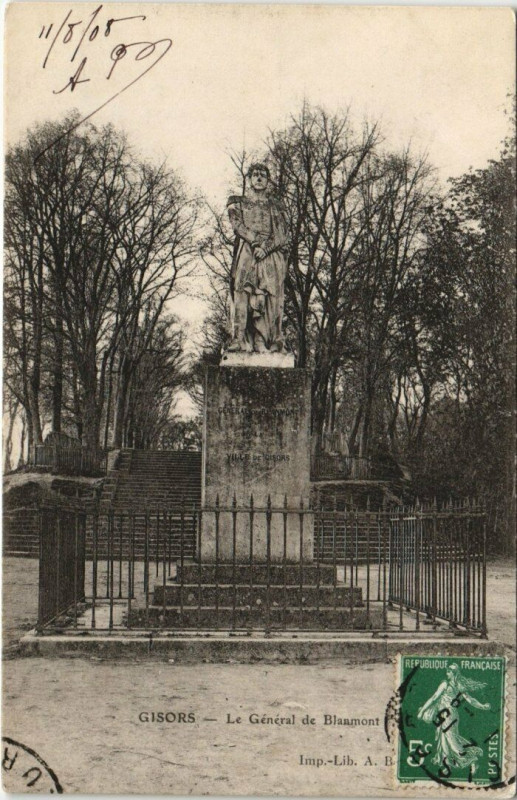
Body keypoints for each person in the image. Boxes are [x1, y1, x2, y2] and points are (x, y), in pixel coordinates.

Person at [226, 163, 288, 353]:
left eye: (263, 175)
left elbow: (282, 234)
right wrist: (256, 244)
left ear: (268, 181)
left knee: (269, 296)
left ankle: (263, 341)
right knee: (242, 290)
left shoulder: (276, 206)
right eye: (255, 174)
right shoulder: (237, 202)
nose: (259, 178)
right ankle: (238, 339)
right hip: (248, 250)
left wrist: (266, 249)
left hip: (270, 254)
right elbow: (237, 226)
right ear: (249, 179)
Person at [417, 663, 490, 775]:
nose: (447, 673)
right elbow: (470, 700)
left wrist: (422, 711)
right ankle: (447, 764)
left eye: (449, 671)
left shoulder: (446, 684)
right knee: (444, 739)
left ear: (454, 673)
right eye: (447, 671)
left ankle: (472, 760)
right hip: (446, 715)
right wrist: (483, 706)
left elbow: (434, 698)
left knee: (452, 740)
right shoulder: (457, 685)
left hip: (448, 716)